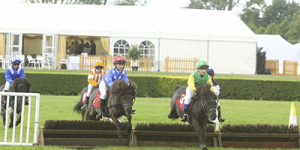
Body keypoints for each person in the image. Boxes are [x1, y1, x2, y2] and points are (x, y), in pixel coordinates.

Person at [96, 55, 129, 119]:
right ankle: (100, 111)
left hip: (115, 86)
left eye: (122, 64)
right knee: (104, 94)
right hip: (105, 84)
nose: (121, 66)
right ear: (115, 65)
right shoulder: (110, 72)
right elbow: (109, 83)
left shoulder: (123, 72)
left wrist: (128, 86)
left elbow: (126, 81)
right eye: (119, 64)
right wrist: (117, 88)